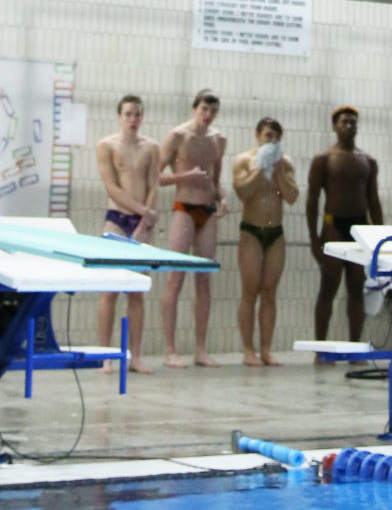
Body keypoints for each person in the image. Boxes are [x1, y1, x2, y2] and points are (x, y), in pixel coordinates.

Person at [159, 90, 226, 368]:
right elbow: (157, 176)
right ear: (194, 109)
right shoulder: (178, 136)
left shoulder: (218, 140)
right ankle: (169, 349)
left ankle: (200, 349)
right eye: (203, 110)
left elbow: (216, 178)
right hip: (184, 208)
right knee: (176, 277)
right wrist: (185, 176)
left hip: (207, 212)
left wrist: (222, 199)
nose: (208, 116)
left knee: (204, 279)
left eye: (212, 111)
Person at [306, 106, 383, 347]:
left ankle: (355, 347)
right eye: (344, 122)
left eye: (353, 122)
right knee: (328, 287)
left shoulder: (368, 161)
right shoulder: (324, 159)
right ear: (335, 126)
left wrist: (381, 238)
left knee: (356, 290)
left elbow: (374, 201)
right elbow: (312, 200)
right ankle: (321, 348)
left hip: (360, 227)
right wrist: (314, 239)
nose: (349, 126)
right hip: (333, 227)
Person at [95, 94, 160, 374]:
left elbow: (154, 184)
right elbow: (112, 188)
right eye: (129, 114)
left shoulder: (152, 147)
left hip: (142, 220)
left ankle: (136, 356)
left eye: (138, 115)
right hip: (117, 219)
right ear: (119, 116)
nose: (133, 120)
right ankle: (106, 355)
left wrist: (147, 218)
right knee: (109, 290)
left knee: (137, 292)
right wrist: (143, 211)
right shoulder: (106, 146)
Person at [232, 117, 299, 366]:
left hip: (275, 234)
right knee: (250, 291)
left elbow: (292, 197)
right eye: (268, 136)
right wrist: (261, 168)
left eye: (276, 137)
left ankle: (266, 349)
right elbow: (243, 193)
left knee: (270, 292)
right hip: (251, 232)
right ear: (257, 136)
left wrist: (279, 172)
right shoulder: (243, 161)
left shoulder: (286, 164)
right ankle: (248, 350)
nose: (272, 141)